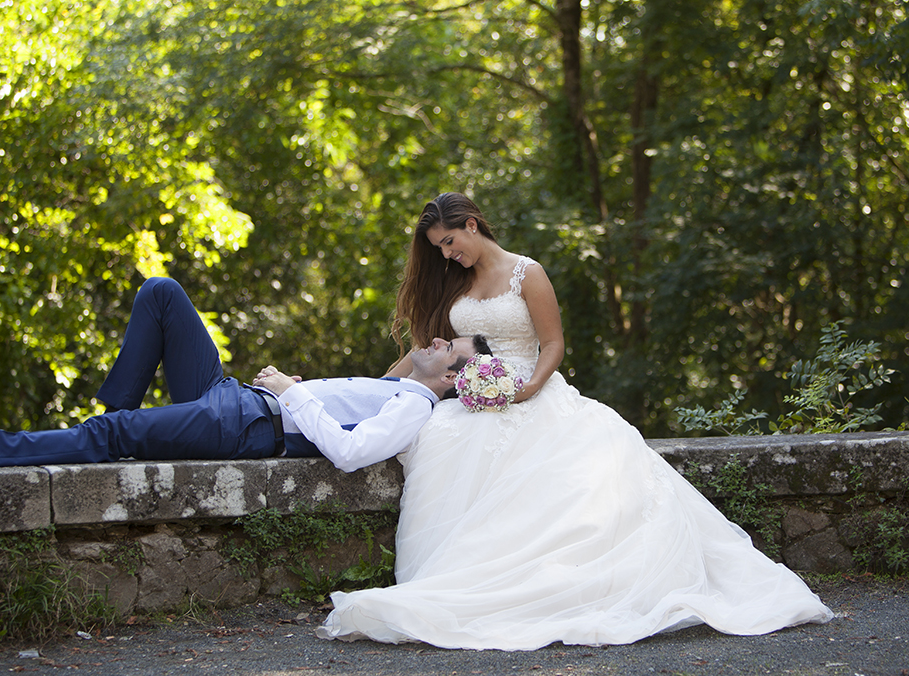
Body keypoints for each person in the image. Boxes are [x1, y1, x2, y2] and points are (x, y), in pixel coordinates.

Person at [318, 192, 833, 650]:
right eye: (439, 249)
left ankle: (551, 580)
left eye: (450, 242)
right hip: (474, 394)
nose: (447, 254)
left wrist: (531, 387)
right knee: (442, 437)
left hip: (530, 388)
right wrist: (375, 393)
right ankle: (464, 573)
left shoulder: (527, 272)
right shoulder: (453, 283)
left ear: (472, 224)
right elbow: (422, 352)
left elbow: (554, 343)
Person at [0, 276, 489, 472]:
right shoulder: (400, 385)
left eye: (449, 347)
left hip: (245, 423)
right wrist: (296, 391)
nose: (437, 339)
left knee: (114, 437)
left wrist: (292, 394)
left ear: (449, 379)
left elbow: (348, 452)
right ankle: (115, 424)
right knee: (163, 294)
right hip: (235, 400)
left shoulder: (416, 407)